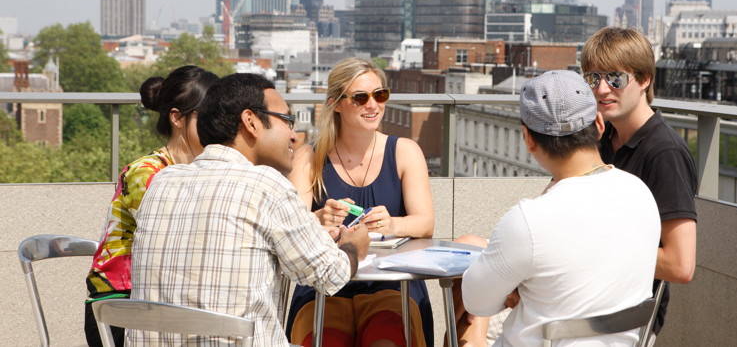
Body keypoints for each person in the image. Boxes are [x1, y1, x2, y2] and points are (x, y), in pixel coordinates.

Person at [128, 73, 370, 346]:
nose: (293, 136)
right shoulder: (267, 185)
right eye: (287, 120)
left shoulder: (163, 181)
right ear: (251, 121)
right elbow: (330, 275)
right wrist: (353, 247)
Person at [462, 70, 661, 346]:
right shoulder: (641, 194)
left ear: (528, 139)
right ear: (599, 124)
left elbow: (476, 301)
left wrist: (516, 288)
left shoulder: (529, 220)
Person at [286, 57, 435, 347]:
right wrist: (318, 219)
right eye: (361, 97)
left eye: (380, 95)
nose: (373, 105)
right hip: (324, 285)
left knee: (387, 340)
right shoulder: (308, 157)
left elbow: (425, 223)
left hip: (392, 285)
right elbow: (291, 229)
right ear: (336, 103)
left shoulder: (405, 151)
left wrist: (391, 223)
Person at [84, 65, 218, 347]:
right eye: (207, 117)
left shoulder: (202, 171)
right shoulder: (145, 172)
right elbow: (171, 238)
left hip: (162, 300)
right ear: (177, 118)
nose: (216, 127)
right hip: (121, 305)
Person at [581, 27, 698, 340]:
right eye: (593, 78)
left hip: (625, 316)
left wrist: (591, 246)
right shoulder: (602, 138)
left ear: (645, 79)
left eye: (615, 78)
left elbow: (680, 265)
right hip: (585, 295)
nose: (602, 89)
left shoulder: (664, 152)